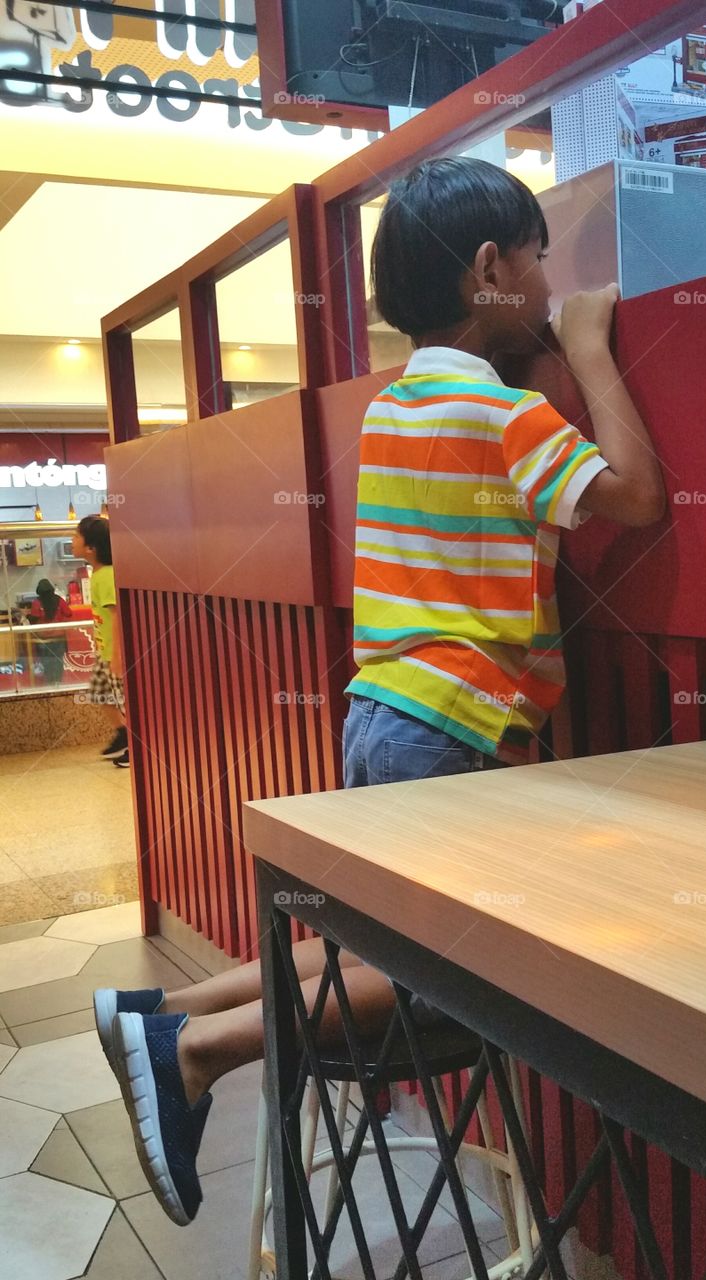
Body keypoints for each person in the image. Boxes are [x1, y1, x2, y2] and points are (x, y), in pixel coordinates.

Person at [93, 157, 665, 1226]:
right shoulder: (497, 411)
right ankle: (192, 1046)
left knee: (371, 944)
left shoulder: (401, 405)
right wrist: (586, 347)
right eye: (540, 259)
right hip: (444, 730)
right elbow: (634, 496)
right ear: (490, 268)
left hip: (381, 719)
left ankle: (156, 1010)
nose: (549, 281)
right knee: (437, 974)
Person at [72, 515, 129, 767]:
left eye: (76, 536)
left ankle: (134, 747)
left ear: (91, 548)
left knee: (123, 701)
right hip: (104, 652)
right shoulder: (96, 574)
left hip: (113, 654)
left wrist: (117, 656)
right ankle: (123, 734)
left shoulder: (106, 576)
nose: (71, 541)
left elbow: (117, 617)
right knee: (100, 695)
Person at [27, 578, 72, 686]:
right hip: (59, 636)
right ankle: (58, 682)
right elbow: (69, 613)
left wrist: (27, 615)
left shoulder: (37, 602)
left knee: (46, 661)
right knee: (58, 661)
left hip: (43, 638)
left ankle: (49, 683)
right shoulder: (59, 600)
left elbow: (34, 618)